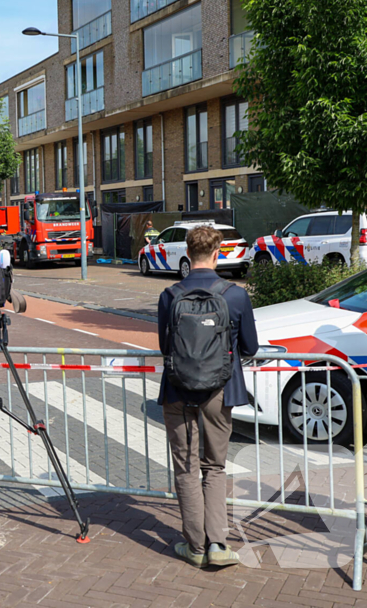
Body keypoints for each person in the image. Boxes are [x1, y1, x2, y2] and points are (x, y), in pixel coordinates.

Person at [157, 225, 258, 569]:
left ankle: (194, 546)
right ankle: (218, 544)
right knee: (214, 467)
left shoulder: (170, 295)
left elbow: (164, 346)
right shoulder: (234, 294)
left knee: (186, 468)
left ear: (187, 254)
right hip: (221, 389)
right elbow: (250, 346)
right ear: (218, 254)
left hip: (177, 389)